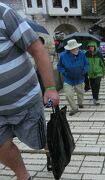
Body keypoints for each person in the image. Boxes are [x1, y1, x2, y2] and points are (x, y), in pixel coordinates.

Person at [0, 3, 59, 180]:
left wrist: (50, 88)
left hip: (26, 101)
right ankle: (22, 175)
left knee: (40, 141)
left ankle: (52, 151)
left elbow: (38, 49)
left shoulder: (4, 13)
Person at [57, 39, 88, 116]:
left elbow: (86, 64)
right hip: (68, 79)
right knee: (68, 95)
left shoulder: (82, 54)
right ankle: (74, 108)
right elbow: (59, 66)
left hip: (79, 78)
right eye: (73, 48)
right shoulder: (63, 56)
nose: (76, 49)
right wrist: (64, 72)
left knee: (80, 93)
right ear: (70, 49)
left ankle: (80, 103)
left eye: (76, 48)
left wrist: (84, 71)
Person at [85, 41, 105, 105]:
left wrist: (104, 72)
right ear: (88, 48)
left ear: (95, 47)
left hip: (98, 72)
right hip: (90, 73)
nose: (91, 48)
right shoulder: (86, 54)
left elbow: (103, 63)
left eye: (92, 47)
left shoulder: (99, 54)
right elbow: (84, 64)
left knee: (97, 84)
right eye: (90, 47)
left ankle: (96, 98)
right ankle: (94, 97)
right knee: (93, 86)